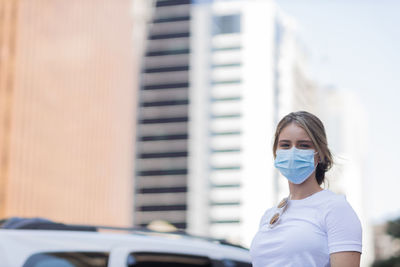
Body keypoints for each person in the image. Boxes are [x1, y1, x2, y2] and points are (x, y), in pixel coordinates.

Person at [250, 111, 362, 267]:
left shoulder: (336, 208)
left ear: (320, 153)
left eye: (303, 145)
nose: (293, 152)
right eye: (285, 145)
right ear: (276, 152)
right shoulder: (269, 215)